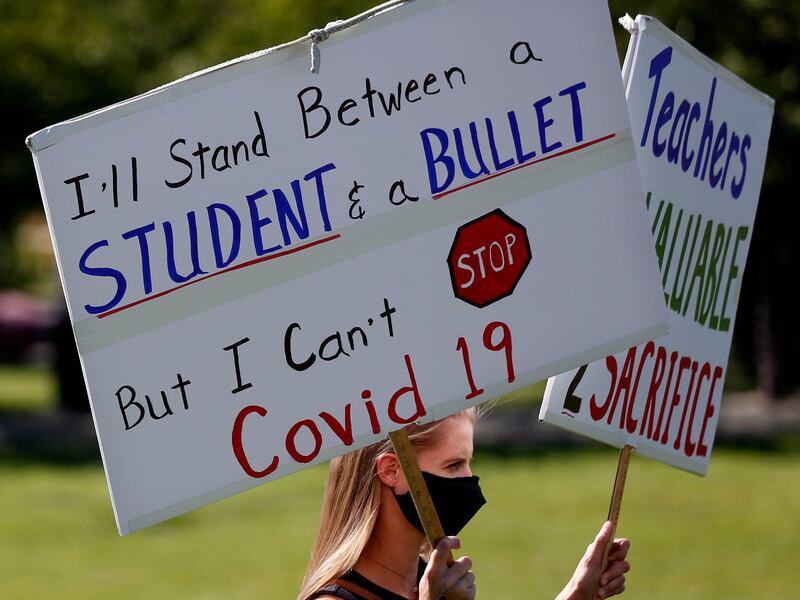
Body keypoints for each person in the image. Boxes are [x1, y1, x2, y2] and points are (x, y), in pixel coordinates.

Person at [298, 408, 630, 600]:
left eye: (469, 464)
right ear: (392, 471)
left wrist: (576, 594)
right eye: (453, 466)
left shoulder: (430, 579)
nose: (470, 483)